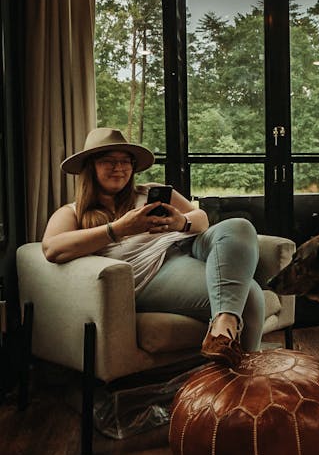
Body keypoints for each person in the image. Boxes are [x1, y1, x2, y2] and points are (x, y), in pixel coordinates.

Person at [42, 127, 265, 367]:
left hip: (188, 244)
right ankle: (242, 376)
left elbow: (201, 218)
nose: (119, 168)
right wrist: (119, 229)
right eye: (109, 161)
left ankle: (222, 327)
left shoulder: (149, 192)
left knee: (239, 226)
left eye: (125, 161)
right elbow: (52, 249)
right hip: (155, 271)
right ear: (91, 167)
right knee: (250, 294)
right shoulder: (73, 212)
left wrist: (181, 222)